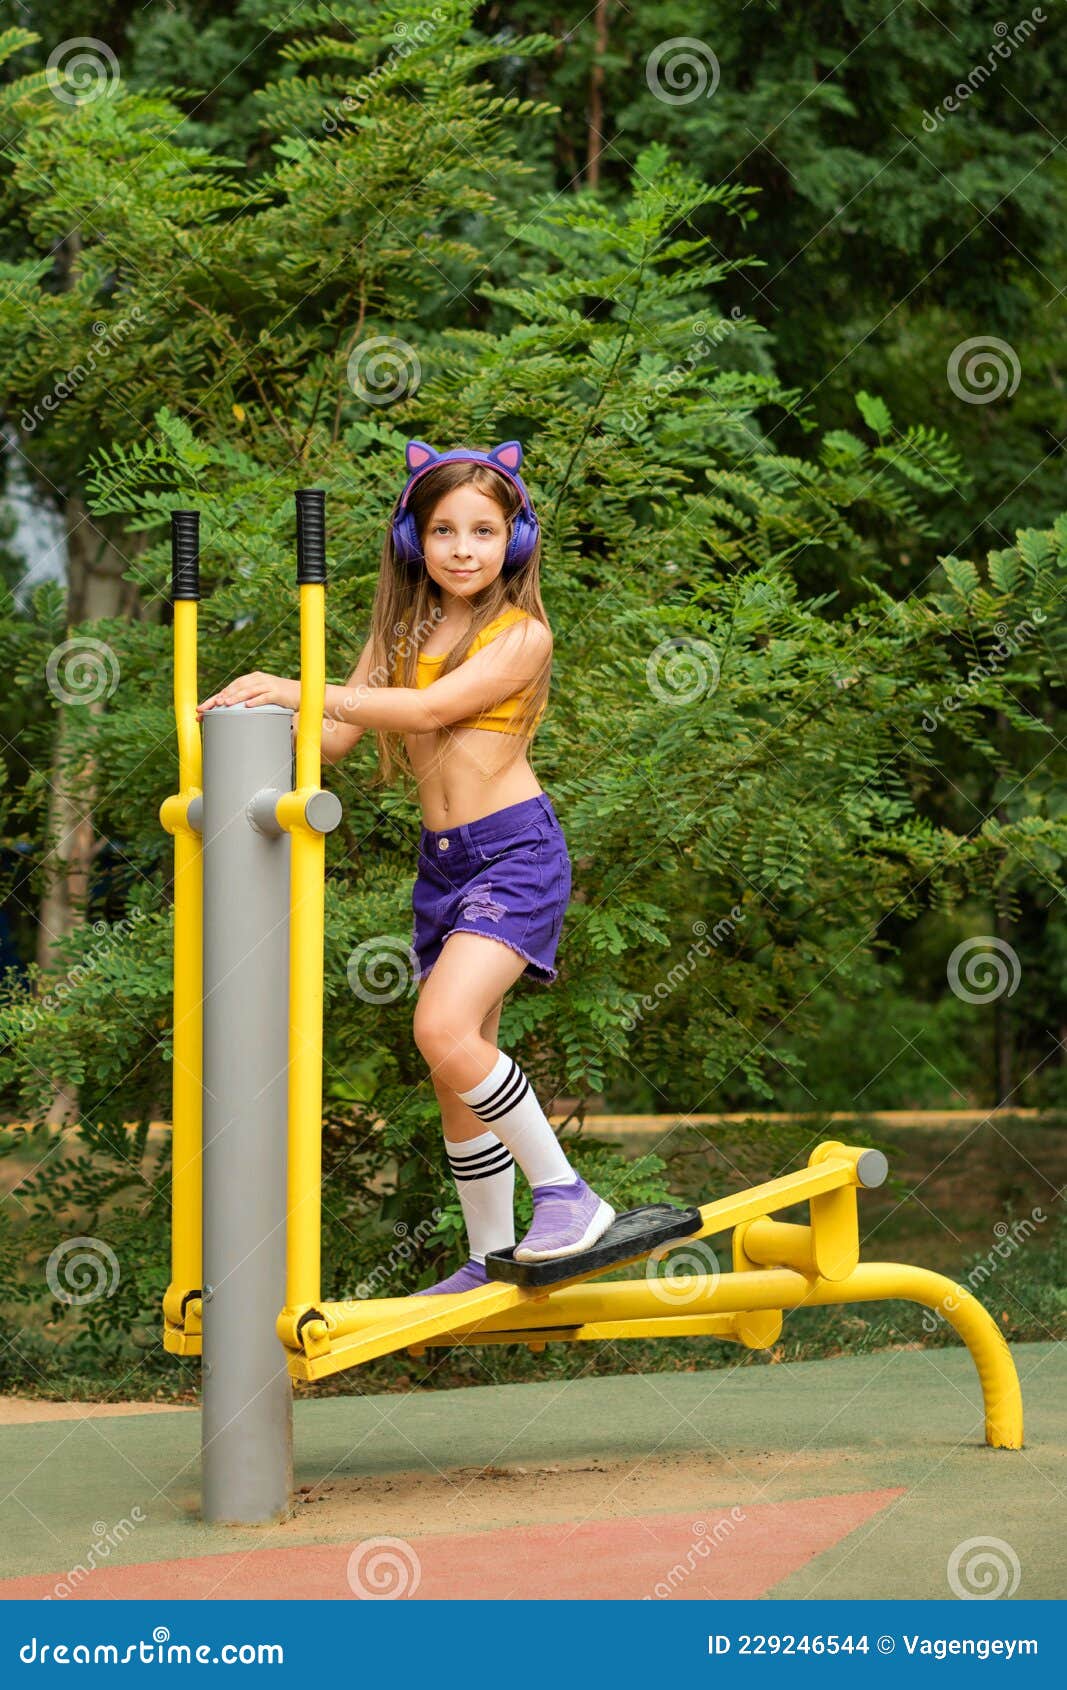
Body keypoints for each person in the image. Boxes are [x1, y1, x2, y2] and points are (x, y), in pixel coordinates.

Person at [196, 437, 615, 1291]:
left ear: (516, 542)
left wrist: (287, 685)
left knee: (441, 1027)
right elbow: (340, 737)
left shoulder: (521, 635)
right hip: (446, 863)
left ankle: (568, 1195)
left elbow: (425, 707)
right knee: (453, 1065)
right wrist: (240, 726)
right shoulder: (401, 628)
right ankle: (490, 1252)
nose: (463, 549)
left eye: (484, 531)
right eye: (444, 531)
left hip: (516, 853)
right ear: (411, 543)